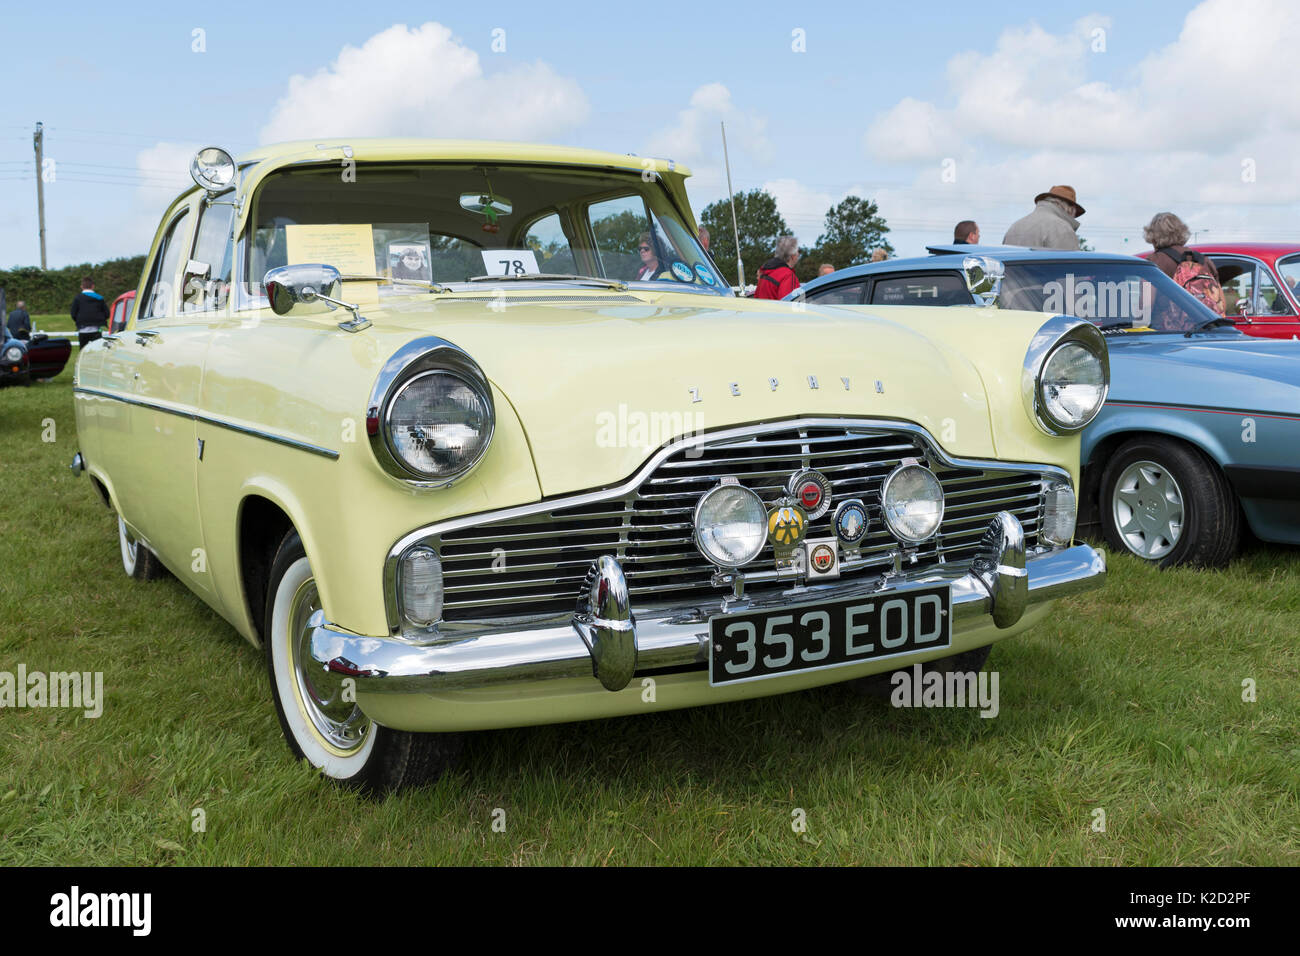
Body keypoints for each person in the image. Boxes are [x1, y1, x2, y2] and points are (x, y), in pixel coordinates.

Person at [1144, 212, 1225, 319]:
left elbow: (1145, 305)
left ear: (1153, 236)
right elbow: (1222, 302)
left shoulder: (1154, 262)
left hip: (1170, 331)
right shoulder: (1204, 261)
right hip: (1206, 328)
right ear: (1181, 232)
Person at [1002, 186, 1085, 250]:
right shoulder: (1062, 228)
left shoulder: (1014, 227)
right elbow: (1069, 269)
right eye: (1075, 213)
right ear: (1070, 209)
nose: (1074, 217)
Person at [71, 277, 109, 349]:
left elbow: (73, 313)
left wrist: (79, 321)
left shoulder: (78, 298)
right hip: (97, 330)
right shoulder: (99, 298)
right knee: (97, 351)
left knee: (83, 351)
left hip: (82, 330)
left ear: (81, 286)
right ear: (93, 286)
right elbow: (107, 313)